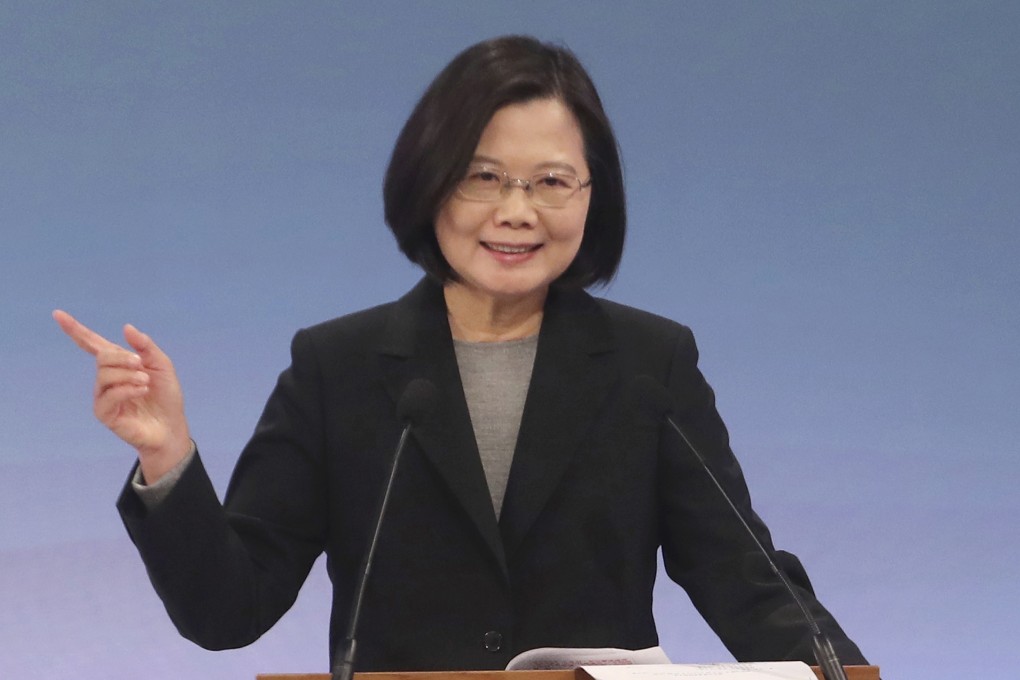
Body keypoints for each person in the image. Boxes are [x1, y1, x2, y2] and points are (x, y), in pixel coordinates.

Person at [54, 35, 867, 672]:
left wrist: (842, 670)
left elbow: (747, 581)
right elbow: (228, 611)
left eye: (551, 182)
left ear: (594, 198)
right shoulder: (338, 368)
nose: (517, 212)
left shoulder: (648, 364)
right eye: (483, 177)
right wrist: (168, 457)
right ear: (431, 182)